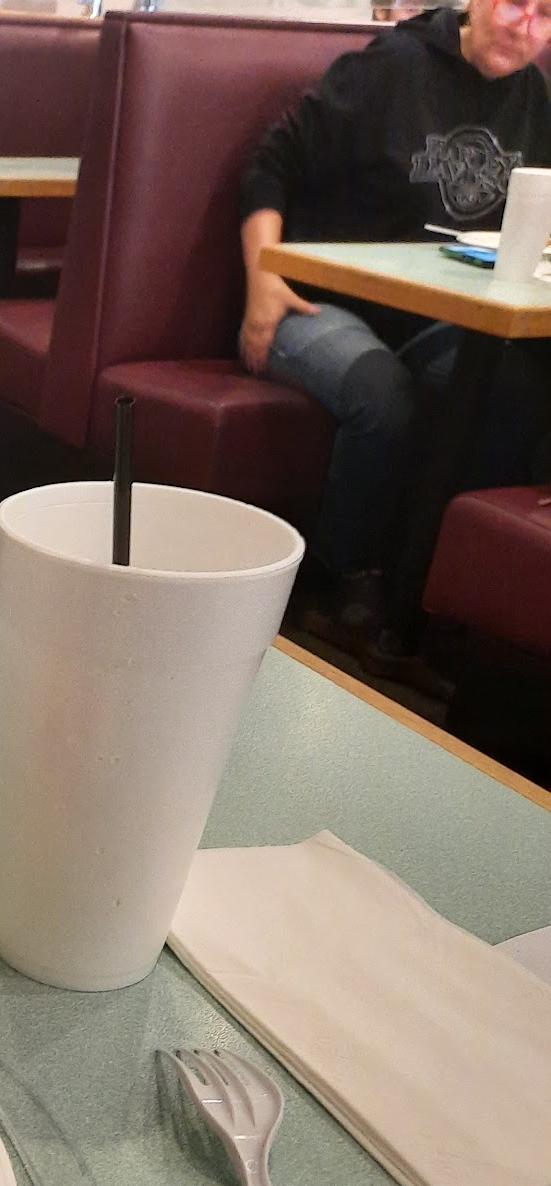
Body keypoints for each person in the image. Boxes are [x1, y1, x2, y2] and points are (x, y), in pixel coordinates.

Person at [238, 0, 551, 688]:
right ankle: (343, 585)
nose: (524, 25)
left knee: (513, 393)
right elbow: (272, 161)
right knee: (382, 396)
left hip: (431, 315)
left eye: (545, 14)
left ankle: (431, 593)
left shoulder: (536, 97)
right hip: (316, 298)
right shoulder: (393, 66)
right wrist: (262, 283)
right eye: (514, 3)